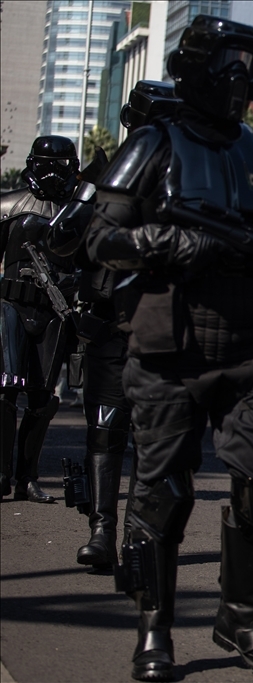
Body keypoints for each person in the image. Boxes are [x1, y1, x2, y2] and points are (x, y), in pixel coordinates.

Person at [84, 16, 253, 680]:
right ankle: (151, 626)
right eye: (226, 67)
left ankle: (242, 617)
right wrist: (161, 244)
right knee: (160, 492)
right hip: (171, 343)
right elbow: (97, 238)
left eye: (248, 72)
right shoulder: (153, 143)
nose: (238, 82)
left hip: (252, 348)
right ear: (194, 70)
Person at [47, 80, 180, 568]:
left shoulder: (185, 185)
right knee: (105, 430)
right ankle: (102, 531)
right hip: (109, 326)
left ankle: (133, 536)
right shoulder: (104, 179)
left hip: (163, 328)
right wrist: (90, 194)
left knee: (153, 437)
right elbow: (61, 239)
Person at [1, 135, 81, 504]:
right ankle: (3, 474)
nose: (57, 174)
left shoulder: (79, 211)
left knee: (42, 399)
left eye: (64, 166)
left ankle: (26, 477)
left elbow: (93, 261)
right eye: (51, 165)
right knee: (5, 393)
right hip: (10, 307)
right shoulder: (10, 205)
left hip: (54, 312)